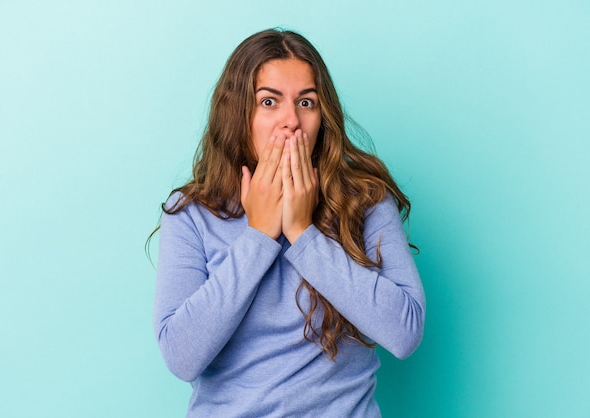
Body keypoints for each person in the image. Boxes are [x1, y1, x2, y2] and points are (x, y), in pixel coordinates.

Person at [153, 28, 426, 417]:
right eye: (269, 101)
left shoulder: (365, 201)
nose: (291, 121)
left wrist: (303, 233)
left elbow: (405, 332)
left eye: (306, 102)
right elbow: (181, 357)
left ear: (322, 117)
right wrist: (260, 235)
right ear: (239, 114)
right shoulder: (192, 213)